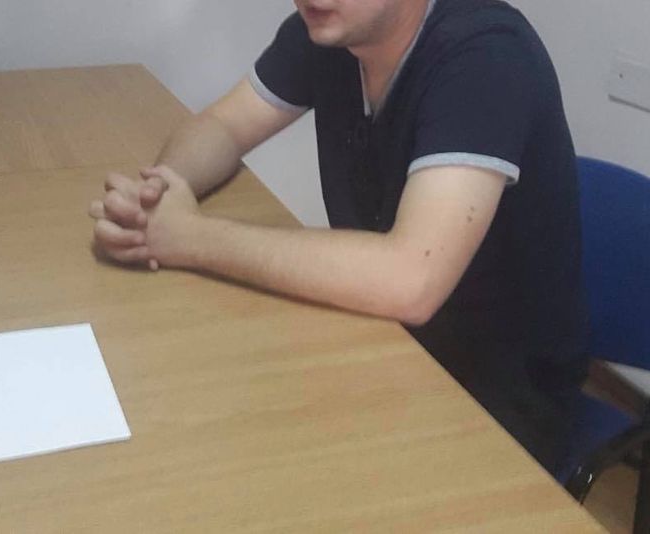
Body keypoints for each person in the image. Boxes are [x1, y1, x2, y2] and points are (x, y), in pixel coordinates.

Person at [88, 0, 588, 475]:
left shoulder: (488, 56)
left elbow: (410, 280)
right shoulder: (331, 32)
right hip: (378, 340)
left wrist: (191, 237)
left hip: (495, 402)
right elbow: (225, 125)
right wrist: (158, 195)